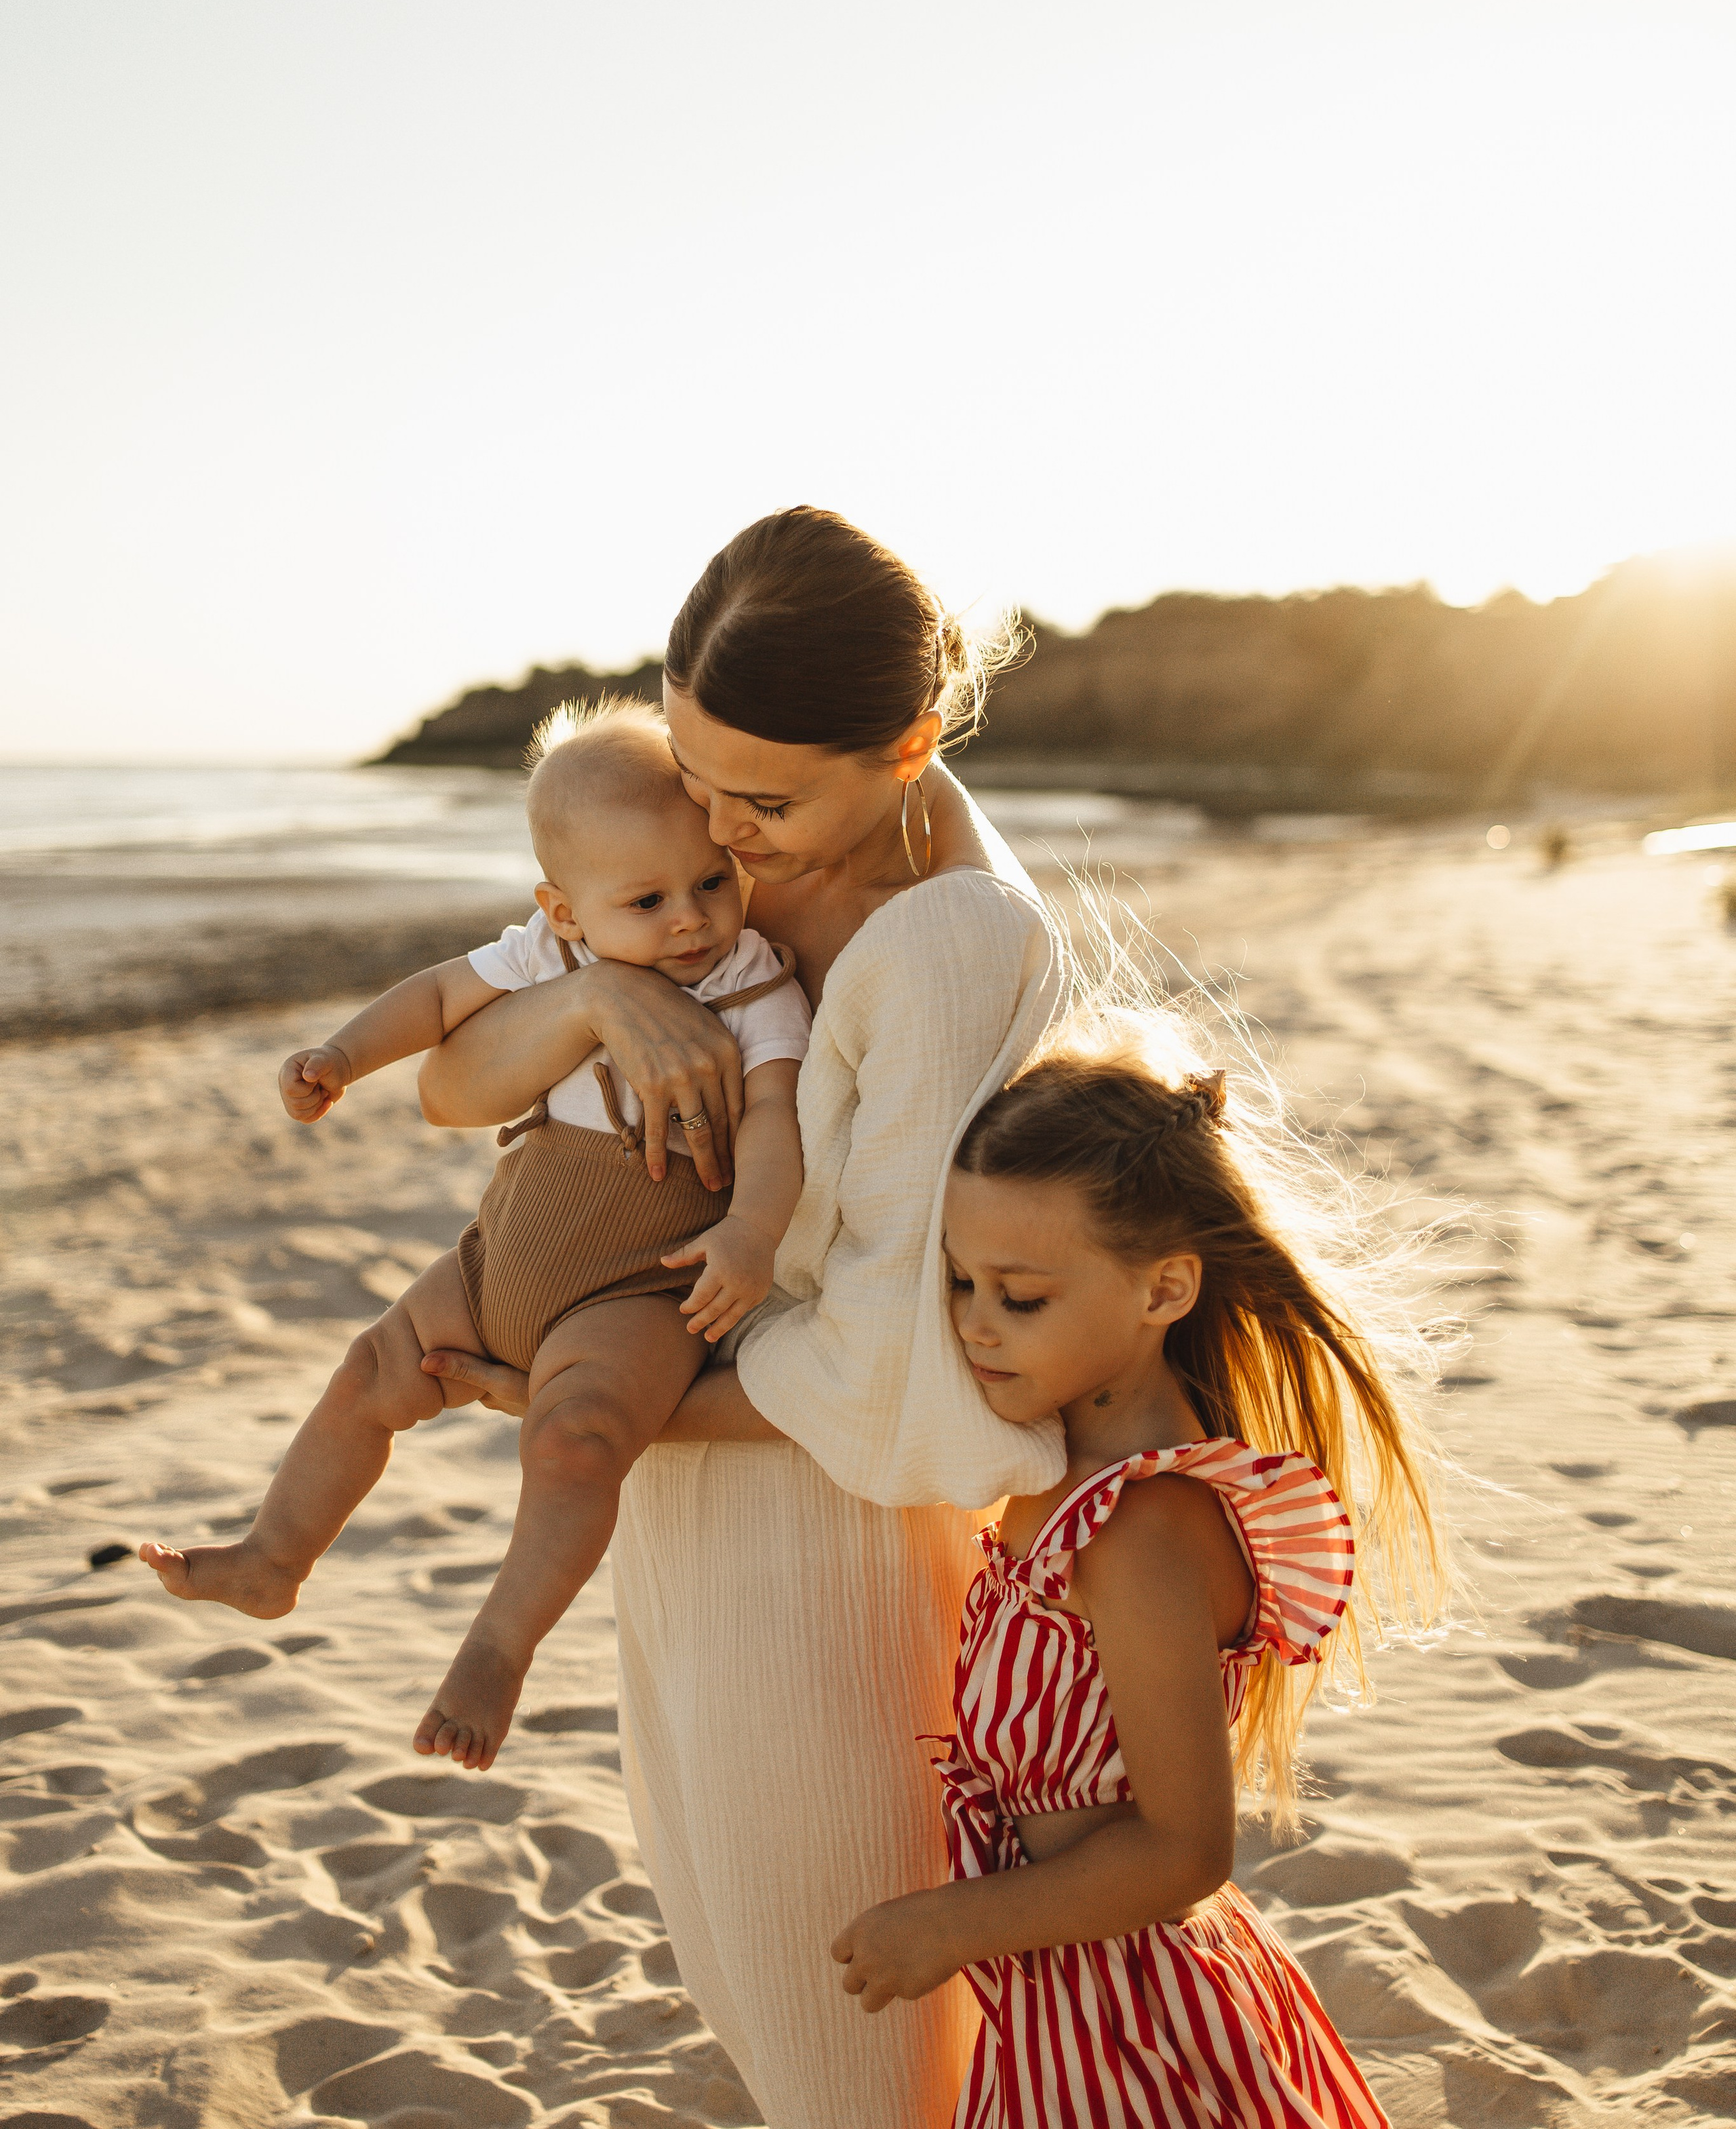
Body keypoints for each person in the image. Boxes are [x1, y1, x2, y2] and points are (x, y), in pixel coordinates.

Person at [414, 507, 1072, 2129]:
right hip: (689, 1499)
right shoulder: (746, 870)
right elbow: (446, 1082)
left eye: (758, 801)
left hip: (826, 1542)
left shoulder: (943, 942)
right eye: (698, 780)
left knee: (854, 2066)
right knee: (752, 2011)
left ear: (911, 743)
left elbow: (898, 1363)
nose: (719, 832)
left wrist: (554, 1398)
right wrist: (585, 996)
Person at [138, 699, 810, 1773]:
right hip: (495, 1262)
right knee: (370, 1372)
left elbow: (775, 1120)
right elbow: (443, 997)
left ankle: (497, 1650)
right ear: (567, 910)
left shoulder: (753, 988)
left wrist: (751, 1234)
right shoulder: (546, 958)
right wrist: (343, 1059)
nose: (691, 919)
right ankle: (274, 1555)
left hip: (639, 1289)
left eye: (712, 883)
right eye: (647, 899)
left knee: (575, 1443)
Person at [831, 1007, 1444, 2128]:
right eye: (959, 1282)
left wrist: (947, 1926)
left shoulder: (1141, 1526)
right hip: (1054, 2001)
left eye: (1021, 1297)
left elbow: (1185, 1848)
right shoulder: (1042, 1460)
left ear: (1165, 1291)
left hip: (1132, 2015)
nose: (975, 1326)